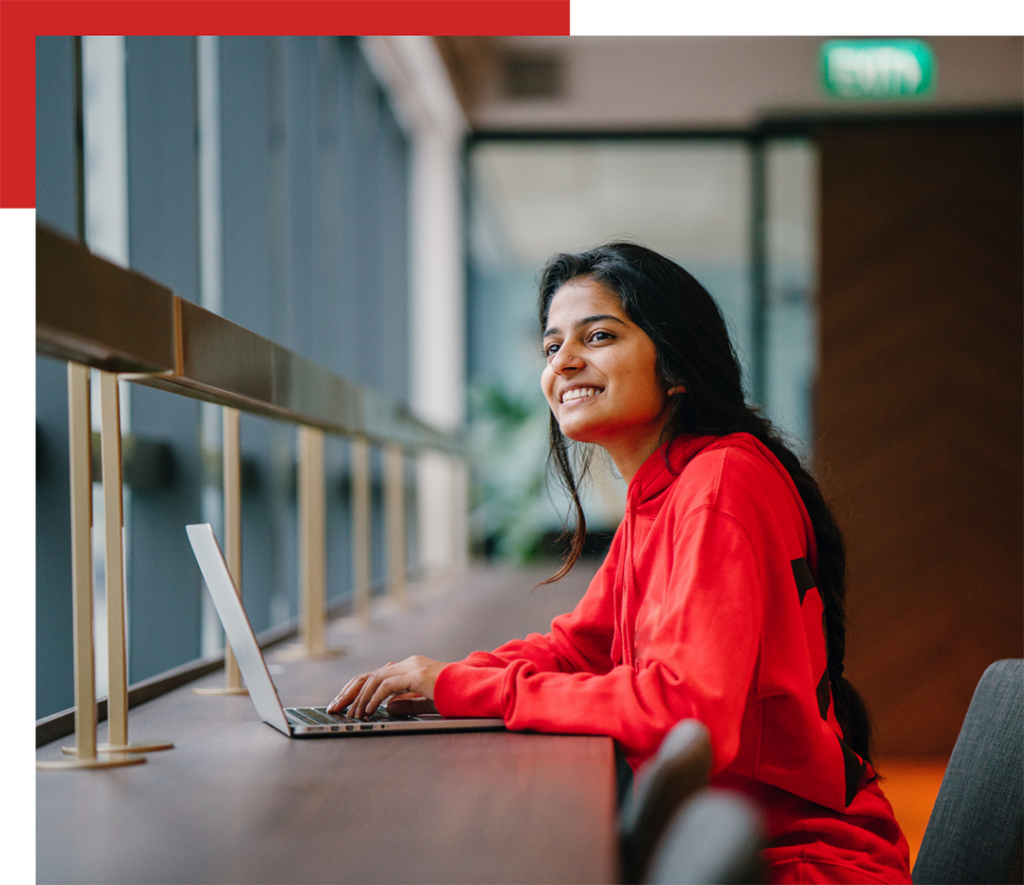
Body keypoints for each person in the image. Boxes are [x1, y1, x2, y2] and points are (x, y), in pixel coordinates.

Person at [328, 243, 912, 884]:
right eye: (551, 348)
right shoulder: (667, 491)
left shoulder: (719, 483)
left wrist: (471, 688)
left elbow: (689, 711)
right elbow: (580, 647)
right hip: (747, 846)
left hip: (799, 864)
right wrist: (434, 682)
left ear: (676, 364)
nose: (565, 362)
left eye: (598, 336)